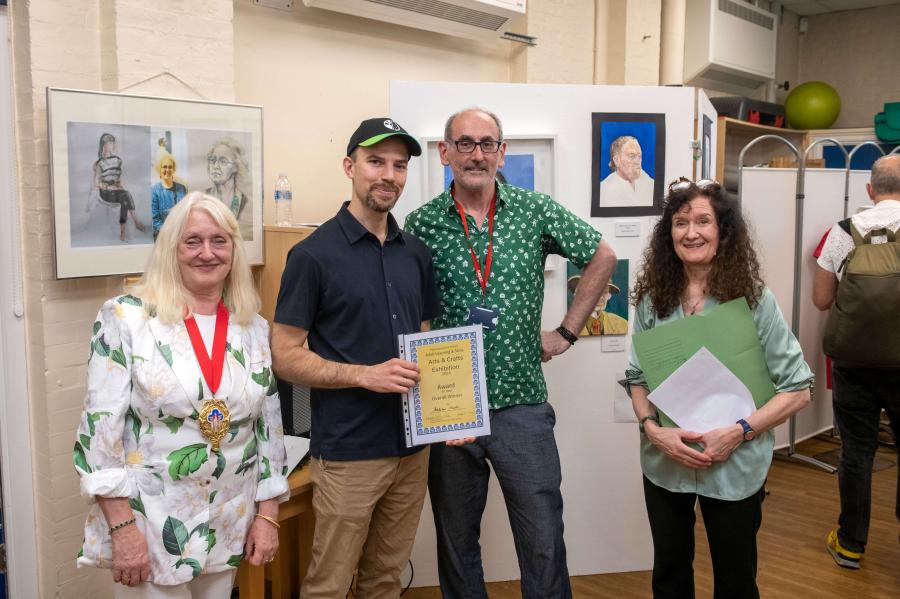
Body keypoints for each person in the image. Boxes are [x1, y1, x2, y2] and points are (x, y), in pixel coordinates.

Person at [404, 107, 617, 599]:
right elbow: (412, 311)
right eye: (464, 143)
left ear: (502, 153)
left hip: (522, 401)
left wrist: (566, 331)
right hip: (451, 410)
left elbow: (602, 255)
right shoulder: (421, 224)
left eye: (486, 144)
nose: (476, 154)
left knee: (542, 537)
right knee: (457, 542)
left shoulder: (534, 210)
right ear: (445, 152)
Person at [73, 192, 288, 597]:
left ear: (233, 251)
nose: (207, 253)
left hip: (228, 520)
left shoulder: (253, 327)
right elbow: (99, 436)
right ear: (171, 248)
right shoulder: (127, 317)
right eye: (193, 241)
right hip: (151, 525)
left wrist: (269, 515)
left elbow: (269, 431)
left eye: (219, 241)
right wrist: (123, 530)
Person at [271, 118, 449, 598]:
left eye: (399, 165)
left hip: (413, 450)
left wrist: (449, 413)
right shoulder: (312, 255)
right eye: (375, 162)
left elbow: (426, 340)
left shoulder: (417, 253)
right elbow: (285, 357)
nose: (388, 175)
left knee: (385, 579)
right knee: (329, 584)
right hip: (350, 452)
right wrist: (363, 375)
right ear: (350, 166)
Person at [626, 178, 813, 599]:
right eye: (680, 222)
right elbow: (637, 379)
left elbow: (799, 389)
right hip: (666, 463)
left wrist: (740, 430)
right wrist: (653, 430)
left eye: (703, 221)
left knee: (735, 580)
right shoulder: (653, 300)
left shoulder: (754, 301)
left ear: (723, 231)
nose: (691, 232)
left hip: (736, 466)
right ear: (668, 234)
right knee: (669, 575)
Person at [812, 154, 900, 569]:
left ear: (870, 190)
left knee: (856, 451)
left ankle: (850, 543)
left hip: (853, 362)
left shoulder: (843, 232)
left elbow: (822, 300)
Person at [91, 132, 148, 241]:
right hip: (105, 192)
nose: (112, 145)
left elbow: (118, 179)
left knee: (125, 197)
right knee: (125, 195)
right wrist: (108, 187)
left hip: (117, 191)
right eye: (110, 143)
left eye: (113, 142)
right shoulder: (98, 163)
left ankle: (123, 233)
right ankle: (136, 222)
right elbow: (95, 183)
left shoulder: (118, 160)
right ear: (104, 145)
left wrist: (118, 186)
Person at [205, 139, 252, 241]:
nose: (215, 166)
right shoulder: (203, 199)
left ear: (236, 167)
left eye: (223, 161)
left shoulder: (243, 200)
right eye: (212, 160)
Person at [599, 135, 655, 208]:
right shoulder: (604, 190)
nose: (637, 161)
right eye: (631, 156)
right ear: (616, 160)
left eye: (639, 156)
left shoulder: (649, 183)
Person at [150, 152, 188, 240]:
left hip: (179, 232)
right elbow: (155, 219)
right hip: (162, 234)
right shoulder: (155, 190)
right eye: (164, 167)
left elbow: (185, 213)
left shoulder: (181, 188)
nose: (167, 170)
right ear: (160, 169)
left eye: (170, 167)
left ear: (173, 170)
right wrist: (168, 232)